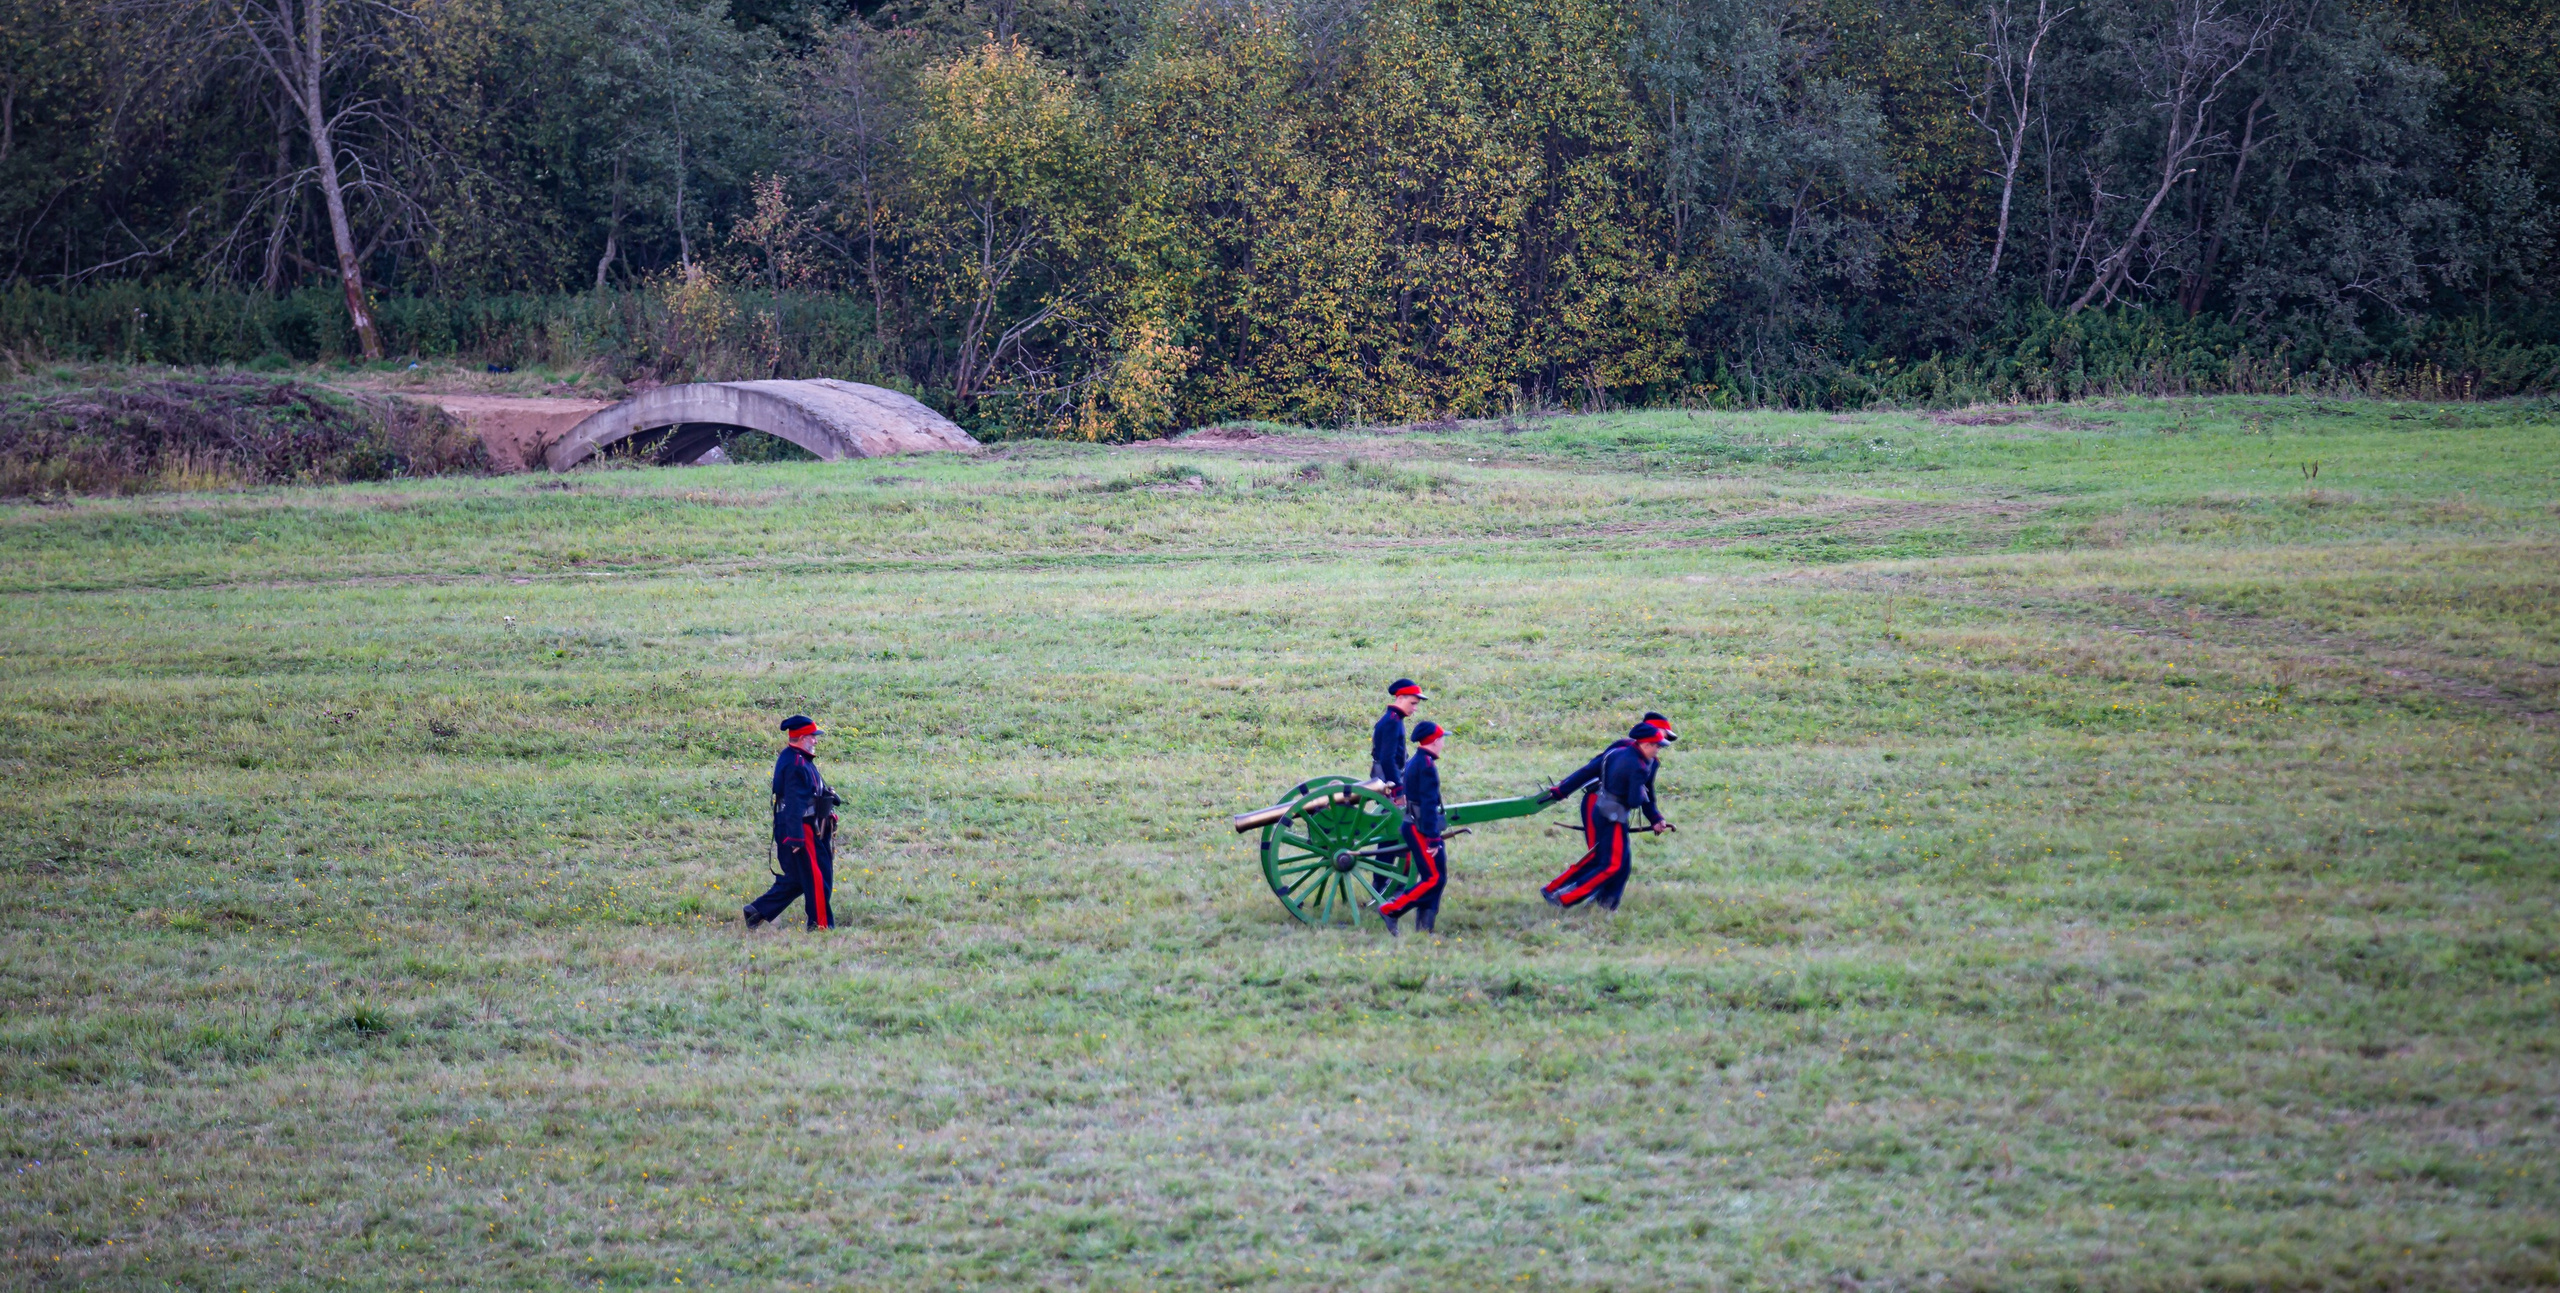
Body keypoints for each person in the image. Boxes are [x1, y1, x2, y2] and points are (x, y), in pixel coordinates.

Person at [1542, 721, 1671, 911]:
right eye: (1658, 744)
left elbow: (1587, 771)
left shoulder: (1620, 753)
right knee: (1610, 864)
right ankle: (1564, 897)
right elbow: (1635, 799)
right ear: (1646, 743)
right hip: (1612, 815)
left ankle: (1602, 903)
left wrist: (1655, 818)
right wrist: (1561, 791)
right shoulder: (1638, 765)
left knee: (1619, 863)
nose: (1660, 748)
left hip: (1603, 810)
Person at [744, 715, 840, 930]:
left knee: (798, 878)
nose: (815, 740)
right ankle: (821, 926)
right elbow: (794, 803)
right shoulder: (796, 764)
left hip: (807, 826)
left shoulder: (798, 758)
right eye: (812, 736)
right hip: (803, 829)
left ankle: (757, 911)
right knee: (817, 878)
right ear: (802, 737)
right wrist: (796, 837)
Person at [1378, 720, 1450, 937]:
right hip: (1421, 829)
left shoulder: (1417, 760)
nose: (1443, 743)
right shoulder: (1426, 766)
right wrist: (1433, 839)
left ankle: (1425, 929)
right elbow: (1427, 805)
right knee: (1434, 879)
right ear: (1435, 741)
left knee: (1437, 878)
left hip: (1417, 825)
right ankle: (1391, 910)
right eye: (1442, 739)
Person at [1370, 678, 1429, 793]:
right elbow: (1387, 758)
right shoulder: (1392, 722)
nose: (1415, 708)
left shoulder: (1394, 719)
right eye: (1412, 703)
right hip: (1387, 777)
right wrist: (1396, 788)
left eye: (1416, 704)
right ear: (1400, 698)